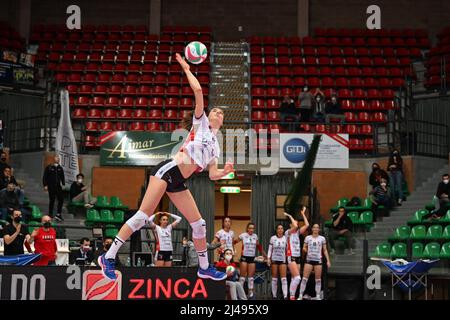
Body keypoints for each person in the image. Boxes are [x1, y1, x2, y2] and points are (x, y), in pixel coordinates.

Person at [99, 52, 234, 281]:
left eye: (221, 113)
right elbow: (199, 91)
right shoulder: (200, 124)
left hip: (179, 181)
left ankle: (203, 267)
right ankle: (108, 257)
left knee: (199, 224)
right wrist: (187, 69)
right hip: (167, 170)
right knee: (143, 216)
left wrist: (224, 172)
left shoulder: (216, 148)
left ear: (223, 121)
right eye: (215, 110)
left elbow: (212, 175)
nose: (217, 112)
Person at [298, 224, 331, 300]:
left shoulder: (322, 238)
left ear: (319, 229)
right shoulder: (308, 238)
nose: (316, 229)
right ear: (312, 229)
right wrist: (305, 250)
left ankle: (318, 296)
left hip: (318, 260)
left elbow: (325, 250)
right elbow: (304, 247)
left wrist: (328, 261)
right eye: (314, 227)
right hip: (309, 260)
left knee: (318, 279)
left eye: (317, 228)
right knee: (304, 279)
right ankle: (300, 295)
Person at [235, 222, 267, 299]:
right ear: (247, 229)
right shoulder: (243, 235)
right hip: (244, 258)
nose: (251, 230)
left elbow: (258, 246)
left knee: (251, 277)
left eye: (253, 228)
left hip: (252, 258)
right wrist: (232, 250)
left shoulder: (255, 236)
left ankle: (250, 294)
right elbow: (234, 242)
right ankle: (240, 293)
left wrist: (265, 255)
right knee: (242, 277)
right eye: (250, 228)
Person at [284, 207, 310, 300]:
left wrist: (303, 213)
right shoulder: (288, 232)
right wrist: (290, 216)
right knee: (298, 278)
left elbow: (307, 225)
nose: (297, 224)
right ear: (291, 224)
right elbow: (295, 226)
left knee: (293, 278)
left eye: (297, 223)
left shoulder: (297, 232)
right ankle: (291, 296)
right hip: (291, 256)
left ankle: (292, 296)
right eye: (295, 223)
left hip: (298, 257)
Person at [267, 224, 288, 299]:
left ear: (283, 230)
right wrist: (268, 258)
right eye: (278, 228)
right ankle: (274, 296)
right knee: (274, 278)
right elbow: (270, 249)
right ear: (276, 230)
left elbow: (287, 250)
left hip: (282, 260)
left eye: (281, 228)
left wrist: (288, 260)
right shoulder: (272, 238)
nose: (280, 230)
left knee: (283, 278)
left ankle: (285, 296)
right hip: (274, 260)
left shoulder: (286, 238)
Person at [42, 155, 65, 221]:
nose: (57, 159)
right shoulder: (49, 167)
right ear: (53, 159)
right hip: (51, 186)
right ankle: (50, 213)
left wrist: (63, 184)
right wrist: (45, 185)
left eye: (58, 158)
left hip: (58, 186)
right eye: (56, 157)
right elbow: (45, 177)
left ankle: (58, 214)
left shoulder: (60, 168)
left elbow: (62, 177)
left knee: (61, 199)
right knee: (52, 200)